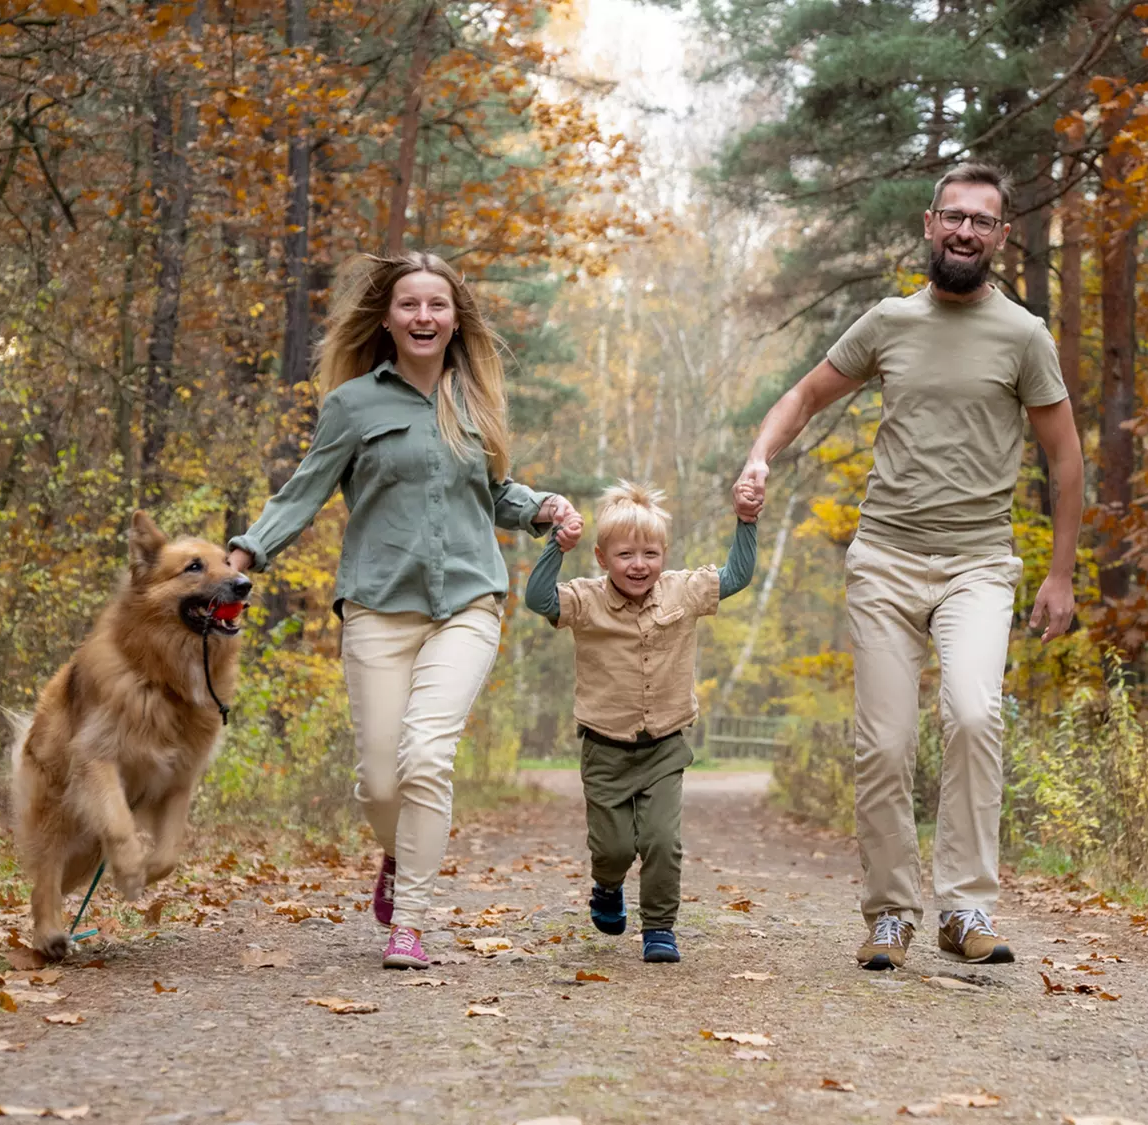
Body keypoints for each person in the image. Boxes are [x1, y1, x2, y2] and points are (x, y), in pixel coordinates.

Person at [732, 163, 1083, 971]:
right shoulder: (888, 321)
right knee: (884, 744)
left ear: (1001, 237)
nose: (965, 231)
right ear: (929, 225)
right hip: (886, 559)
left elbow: (1065, 461)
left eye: (981, 221)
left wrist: (1058, 577)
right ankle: (890, 912)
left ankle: (964, 907)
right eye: (952, 216)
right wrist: (759, 455)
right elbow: (804, 396)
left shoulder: (1024, 335)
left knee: (971, 714)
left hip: (976, 565)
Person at [226, 251, 577, 970]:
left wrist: (542, 507)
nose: (424, 316)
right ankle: (396, 851)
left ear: (455, 319)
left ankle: (408, 922)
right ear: (387, 318)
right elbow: (302, 491)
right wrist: (242, 557)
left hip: (467, 602)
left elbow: (493, 490)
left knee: (426, 757)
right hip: (379, 606)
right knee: (381, 779)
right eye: (410, 304)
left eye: (437, 305)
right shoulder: (354, 404)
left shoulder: (474, 401)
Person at [523, 482, 758, 963]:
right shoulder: (586, 600)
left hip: (665, 746)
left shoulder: (683, 590)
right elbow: (538, 599)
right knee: (611, 849)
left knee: (661, 841)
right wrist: (555, 547)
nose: (638, 564)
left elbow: (736, 575)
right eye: (625, 553)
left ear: (664, 554)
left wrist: (746, 521)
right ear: (602, 557)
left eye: (650, 553)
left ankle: (659, 928)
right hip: (605, 748)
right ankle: (606, 886)